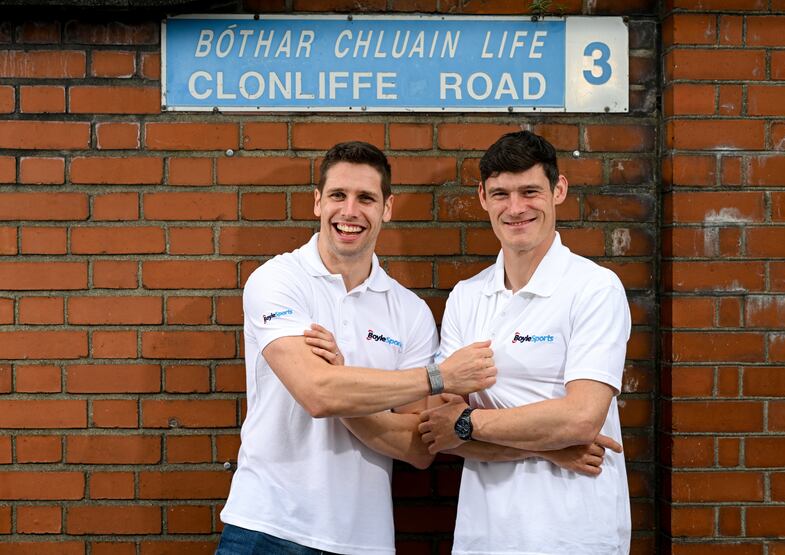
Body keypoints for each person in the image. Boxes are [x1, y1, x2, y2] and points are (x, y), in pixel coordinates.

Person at [216, 141, 498, 555]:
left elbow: (420, 448)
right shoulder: (278, 280)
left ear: (387, 208)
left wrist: (342, 384)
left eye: (366, 198)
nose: (350, 211)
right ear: (317, 202)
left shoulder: (409, 312)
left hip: (363, 541)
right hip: (266, 528)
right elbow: (316, 393)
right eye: (337, 195)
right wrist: (437, 378)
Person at [418, 130, 632, 554]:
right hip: (484, 535)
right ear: (482, 197)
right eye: (501, 194)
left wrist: (468, 423)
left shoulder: (594, 288)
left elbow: (580, 420)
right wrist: (549, 449)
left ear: (558, 190)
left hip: (574, 533)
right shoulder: (467, 295)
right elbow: (436, 425)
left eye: (530, 191)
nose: (515, 208)